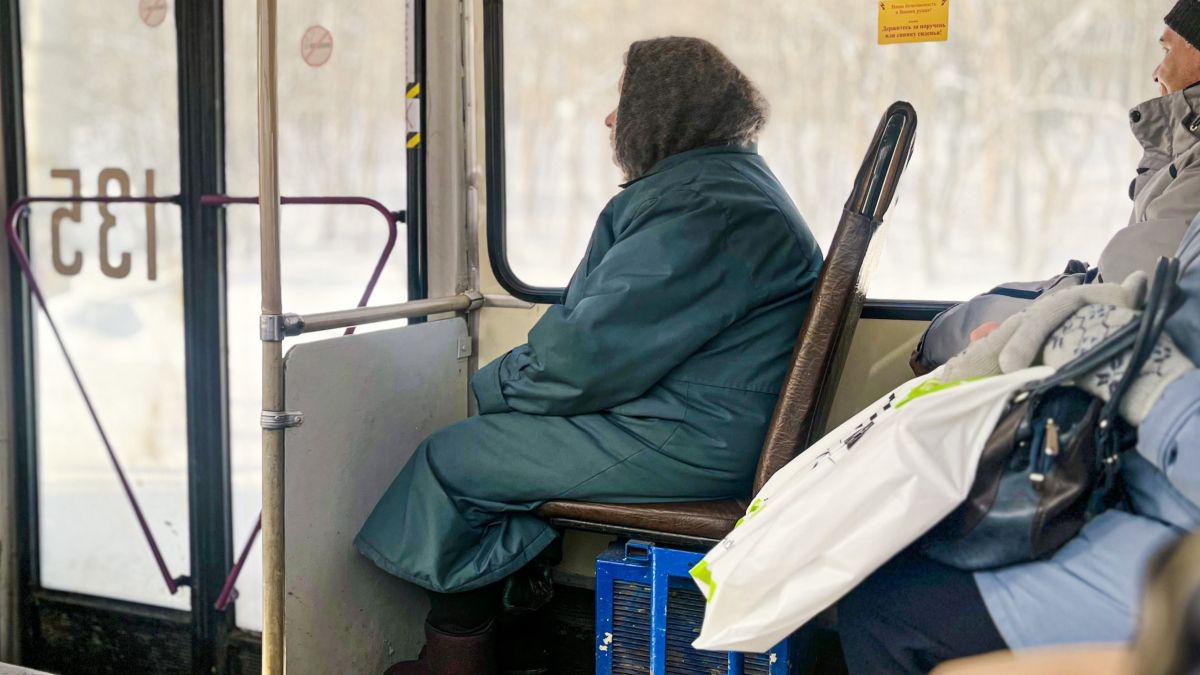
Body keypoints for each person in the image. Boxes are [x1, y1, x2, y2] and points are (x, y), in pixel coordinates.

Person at [355, 37, 824, 675]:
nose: (609, 119)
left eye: (623, 103)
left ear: (663, 113)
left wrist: (496, 386)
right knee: (504, 452)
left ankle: (455, 661)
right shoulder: (725, 185)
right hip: (709, 421)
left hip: (691, 436)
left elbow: (583, 359)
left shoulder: (701, 208)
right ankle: (520, 652)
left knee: (454, 459)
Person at [837, 131, 1200, 675]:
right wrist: (1078, 319)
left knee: (886, 607)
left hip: (1179, 538)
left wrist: (1121, 364)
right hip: (1151, 483)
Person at [912, 0, 1200, 372]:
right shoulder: (1184, 150)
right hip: (1099, 295)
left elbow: (1134, 291)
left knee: (947, 339)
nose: (1157, 71)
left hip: (1101, 308)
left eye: (1167, 50)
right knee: (950, 330)